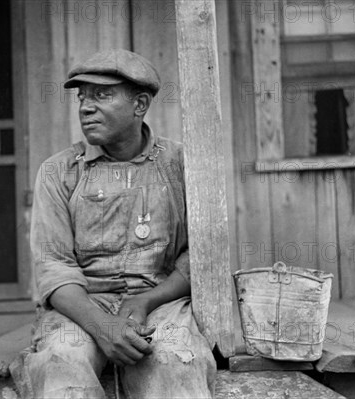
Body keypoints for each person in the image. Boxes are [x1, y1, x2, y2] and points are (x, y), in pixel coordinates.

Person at [16, 49, 216, 398]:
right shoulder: (59, 171)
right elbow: (54, 267)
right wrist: (103, 326)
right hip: (80, 308)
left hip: (161, 306)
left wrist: (147, 301)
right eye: (82, 97)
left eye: (102, 95)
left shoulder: (180, 164)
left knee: (175, 362)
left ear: (139, 104)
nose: (85, 107)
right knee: (62, 361)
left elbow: (197, 258)